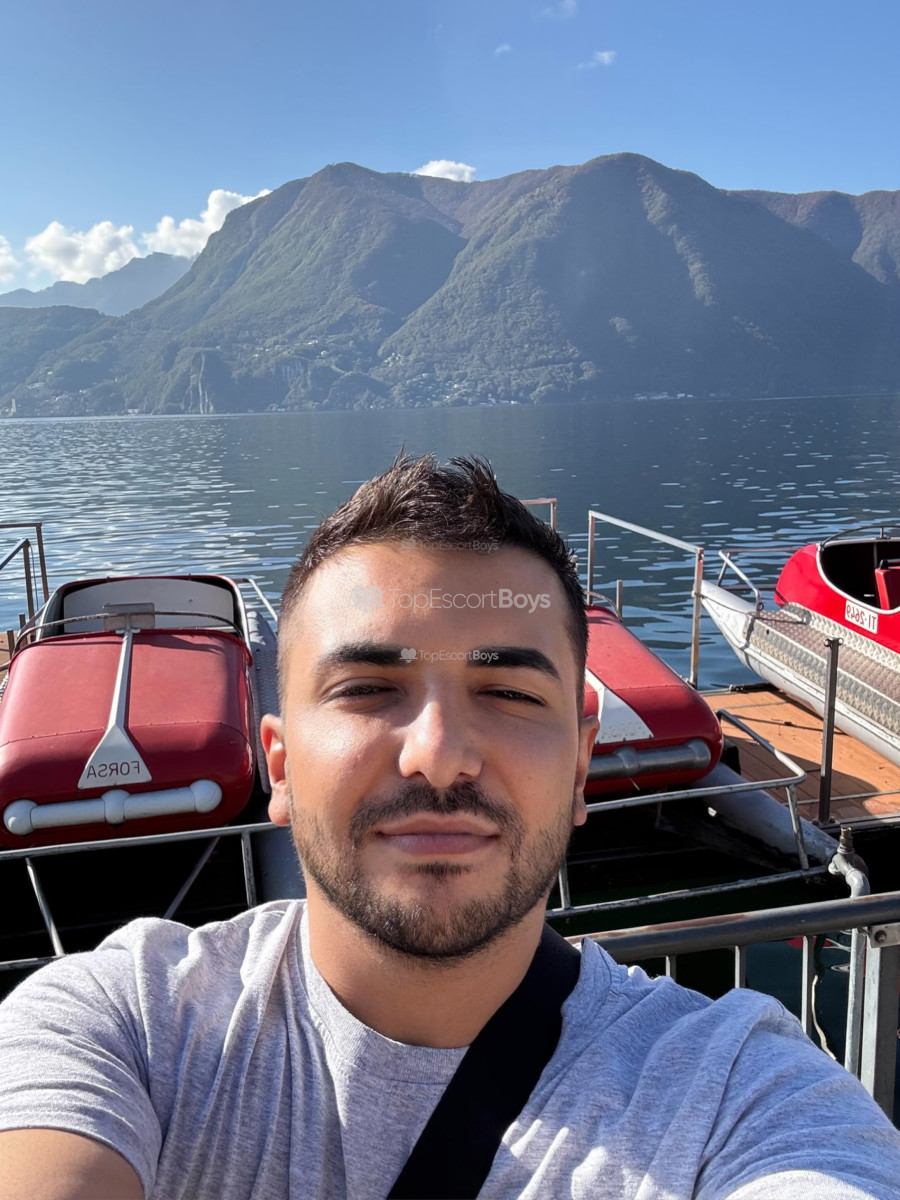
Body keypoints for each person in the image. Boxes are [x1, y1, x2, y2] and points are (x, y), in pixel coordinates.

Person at [1, 453, 899, 1200]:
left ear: (580, 766)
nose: (438, 754)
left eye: (508, 692)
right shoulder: (121, 1028)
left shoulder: (744, 1099)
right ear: (279, 766)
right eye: (367, 689)